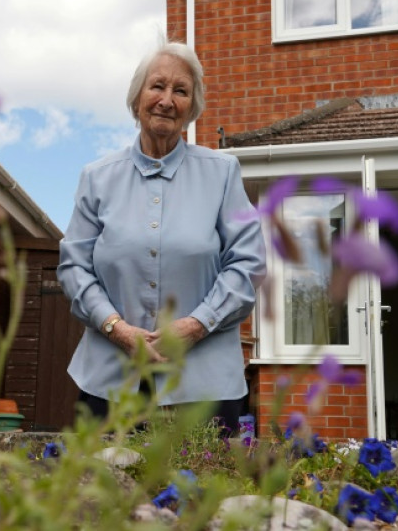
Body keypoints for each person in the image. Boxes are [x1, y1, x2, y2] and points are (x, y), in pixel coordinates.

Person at [57, 41, 266, 436]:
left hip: (206, 387)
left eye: (181, 91)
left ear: (192, 106)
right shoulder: (97, 177)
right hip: (109, 383)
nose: (167, 100)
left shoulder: (222, 174)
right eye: (157, 87)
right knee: (103, 494)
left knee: (203, 497)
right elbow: (73, 268)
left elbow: (248, 264)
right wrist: (116, 328)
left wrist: (196, 325)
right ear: (137, 97)